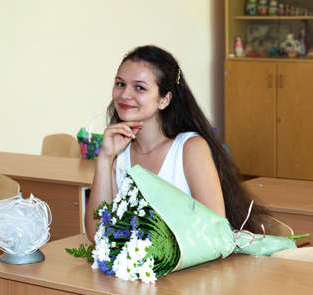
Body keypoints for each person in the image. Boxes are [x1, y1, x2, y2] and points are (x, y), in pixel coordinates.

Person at [86, 45, 263, 242]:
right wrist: (105, 158)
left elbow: (215, 233)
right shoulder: (118, 152)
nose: (125, 95)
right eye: (120, 84)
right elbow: (97, 234)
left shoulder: (191, 148)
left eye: (139, 87)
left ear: (164, 99)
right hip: (135, 270)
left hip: (189, 269)